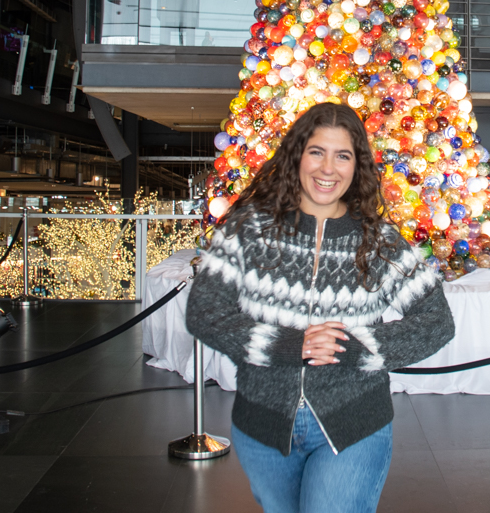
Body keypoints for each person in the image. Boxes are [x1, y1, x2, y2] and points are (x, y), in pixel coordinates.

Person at [186, 102, 455, 513]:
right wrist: (287, 345)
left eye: (342, 155)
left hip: (354, 425)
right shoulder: (248, 228)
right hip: (262, 425)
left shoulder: (379, 241)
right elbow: (204, 311)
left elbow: (437, 322)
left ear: (356, 165)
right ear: (298, 156)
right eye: (317, 152)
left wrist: (356, 346)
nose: (327, 168)